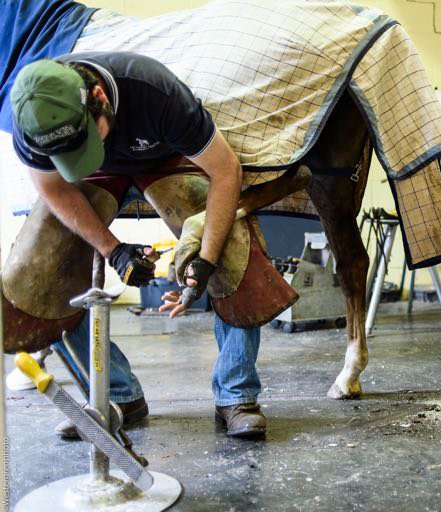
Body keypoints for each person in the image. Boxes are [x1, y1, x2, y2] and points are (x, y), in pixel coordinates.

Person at [8, 51, 266, 438]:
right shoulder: (33, 121)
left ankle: (236, 394)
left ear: (100, 96)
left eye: (85, 137)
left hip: (164, 156)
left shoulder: (154, 91)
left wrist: (206, 259)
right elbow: (54, 188)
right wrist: (114, 250)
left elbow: (225, 170)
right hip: (89, 177)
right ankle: (116, 398)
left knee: (235, 248)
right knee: (39, 276)